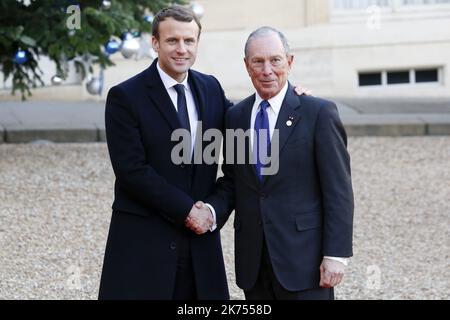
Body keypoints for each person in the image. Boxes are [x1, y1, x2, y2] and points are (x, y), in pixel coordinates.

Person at [203, 27, 354, 300]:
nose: (267, 70)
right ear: (246, 66)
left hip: (305, 263)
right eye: (258, 61)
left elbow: (338, 190)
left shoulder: (317, 113)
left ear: (290, 62)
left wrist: (336, 254)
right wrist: (211, 211)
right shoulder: (236, 116)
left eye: (275, 60)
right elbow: (235, 180)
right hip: (254, 263)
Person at [98, 5, 231, 300]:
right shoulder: (125, 97)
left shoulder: (211, 89)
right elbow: (132, 170)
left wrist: (290, 101)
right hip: (144, 246)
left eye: (189, 41)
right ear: (155, 43)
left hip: (202, 247)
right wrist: (187, 211)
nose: (181, 49)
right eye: (172, 41)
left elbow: (243, 142)